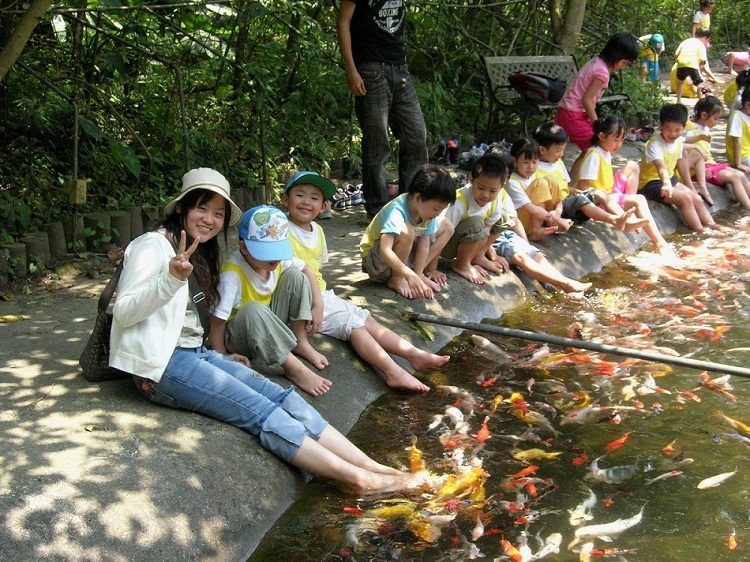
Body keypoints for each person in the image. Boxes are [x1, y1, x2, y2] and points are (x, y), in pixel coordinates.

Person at [110, 168, 410, 493]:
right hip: (160, 367)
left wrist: (219, 355)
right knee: (261, 412)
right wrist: (171, 279)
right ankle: (363, 481)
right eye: (202, 208)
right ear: (181, 207)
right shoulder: (152, 246)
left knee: (283, 397)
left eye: (218, 213)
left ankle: (372, 466)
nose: (210, 219)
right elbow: (124, 312)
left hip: (193, 353)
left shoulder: (200, 249)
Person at [282, 170, 450, 392]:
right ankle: (393, 372)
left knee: (365, 317)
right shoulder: (280, 230)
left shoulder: (318, 230)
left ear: (323, 206)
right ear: (285, 200)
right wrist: (317, 304)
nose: (306, 202)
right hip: (304, 300)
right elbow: (292, 274)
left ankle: (413, 354)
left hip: (320, 294)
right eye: (300, 195)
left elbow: (317, 268)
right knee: (354, 325)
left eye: (314, 198)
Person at [210, 205, 333, 397]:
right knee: (253, 309)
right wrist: (222, 356)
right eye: (266, 252)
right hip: (240, 336)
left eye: (278, 249)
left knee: (296, 277)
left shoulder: (276, 261)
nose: (275, 258)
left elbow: (307, 269)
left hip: (267, 321)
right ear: (244, 247)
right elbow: (216, 321)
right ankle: (293, 368)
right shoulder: (231, 276)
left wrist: (318, 304)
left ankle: (300, 342)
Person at [449, 152, 592, 294]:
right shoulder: (462, 200)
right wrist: (492, 255)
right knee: (520, 257)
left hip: (503, 235)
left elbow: (510, 221)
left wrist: (526, 244)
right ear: (471, 178)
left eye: (493, 189)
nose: (486, 194)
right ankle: (563, 284)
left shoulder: (499, 196)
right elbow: (447, 230)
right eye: (482, 188)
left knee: (534, 254)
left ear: (503, 183)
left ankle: (563, 282)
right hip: (476, 240)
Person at [337, 0, 428, 218]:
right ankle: (378, 210)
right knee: (377, 143)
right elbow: (343, 23)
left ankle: (412, 206)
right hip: (370, 68)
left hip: (400, 69)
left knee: (416, 136)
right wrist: (351, 70)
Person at [577, 115, 673, 256]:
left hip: (610, 192)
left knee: (633, 165)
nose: (619, 145)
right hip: (602, 201)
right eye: (616, 140)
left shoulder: (605, 151)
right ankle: (659, 243)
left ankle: (629, 212)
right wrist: (590, 211)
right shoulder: (594, 155)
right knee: (639, 199)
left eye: (622, 140)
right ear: (602, 136)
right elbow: (582, 187)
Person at [360, 164, 455, 300]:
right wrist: (409, 275)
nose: (438, 213)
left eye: (441, 209)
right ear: (418, 198)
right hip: (377, 264)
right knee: (407, 231)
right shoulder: (395, 210)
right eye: (435, 209)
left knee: (447, 226)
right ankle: (397, 279)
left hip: (401, 259)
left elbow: (424, 246)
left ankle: (416, 274)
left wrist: (417, 274)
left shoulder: (425, 212)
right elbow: (385, 250)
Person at [555, 32, 640, 181]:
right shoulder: (602, 73)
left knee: (588, 151)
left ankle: (573, 184)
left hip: (567, 111)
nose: (623, 66)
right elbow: (587, 100)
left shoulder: (595, 62)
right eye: (624, 62)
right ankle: (580, 184)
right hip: (573, 114)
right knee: (596, 147)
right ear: (616, 55)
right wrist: (598, 125)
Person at [533, 123, 644, 232]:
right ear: (542, 150)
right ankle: (614, 220)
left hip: (568, 203)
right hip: (556, 210)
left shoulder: (559, 164)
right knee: (579, 199)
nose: (562, 154)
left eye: (563, 150)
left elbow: (565, 187)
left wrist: (578, 191)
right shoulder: (534, 170)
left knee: (599, 192)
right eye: (558, 150)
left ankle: (626, 220)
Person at [638, 104, 723, 233]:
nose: (672, 134)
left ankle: (714, 225)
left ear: (684, 128)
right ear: (660, 125)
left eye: (677, 130)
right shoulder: (655, 144)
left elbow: (686, 142)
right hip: (650, 184)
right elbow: (661, 166)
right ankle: (701, 230)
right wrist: (666, 184)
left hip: (670, 179)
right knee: (685, 199)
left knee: (696, 198)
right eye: (668, 129)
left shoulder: (678, 141)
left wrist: (700, 138)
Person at [686, 95, 750, 208]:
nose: (717, 122)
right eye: (715, 119)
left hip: (711, 165)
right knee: (734, 177)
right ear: (704, 115)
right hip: (701, 169)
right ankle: (747, 207)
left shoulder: (705, 128)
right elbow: (683, 155)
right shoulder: (690, 130)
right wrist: (695, 168)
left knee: (740, 174)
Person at [505, 137, 573, 242]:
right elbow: (532, 209)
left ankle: (549, 223)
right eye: (526, 162)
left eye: (534, 162)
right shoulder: (512, 182)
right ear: (515, 161)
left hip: (543, 217)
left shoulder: (534, 175)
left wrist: (557, 212)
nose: (531, 167)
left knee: (550, 179)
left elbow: (559, 200)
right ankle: (535, 230)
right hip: (522, 223)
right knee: (541, 183)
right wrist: (559, 220)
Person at [674, 28, 719, 104]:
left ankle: (678, 101)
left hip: (681, 63)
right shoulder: (700, 44)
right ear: (705, 37)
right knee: (699, 84)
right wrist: (699, 71)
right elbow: (703, 61)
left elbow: (676, 54)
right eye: (708, 40)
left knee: (680, 82)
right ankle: (701, 102)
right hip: (692, 64)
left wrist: (678, 62)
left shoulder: (686, 41)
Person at [725, 87, 750, 173]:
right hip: (743, 156)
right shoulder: (737, 116)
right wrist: (738, 164)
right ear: (748, 105)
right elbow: (737, 141)